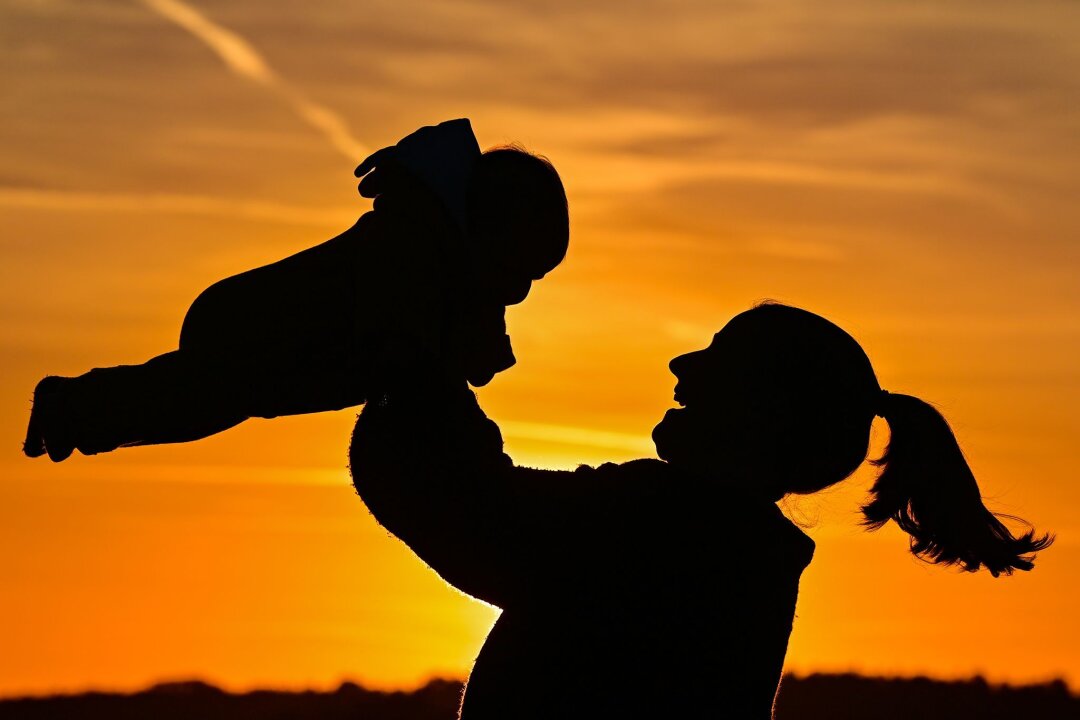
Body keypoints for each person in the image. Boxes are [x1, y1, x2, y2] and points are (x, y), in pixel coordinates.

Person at [349, 302, 1052, 719]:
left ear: (761, 412)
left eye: (718, 358)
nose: (681, 366)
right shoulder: (735, 552)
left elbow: (461, 505)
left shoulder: (663, 529)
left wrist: (424, 370)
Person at [23, 119, 569, 462]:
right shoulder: (410, 248)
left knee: (199, 409)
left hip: (280, 353)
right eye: (522, 270)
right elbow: (413, 358)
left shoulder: (449, 268)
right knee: (193, 401)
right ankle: (69, 406)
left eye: (534, 281)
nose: (518, 293)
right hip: (252, 323)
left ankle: (75, 411)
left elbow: (446, 357)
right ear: (490, 231)